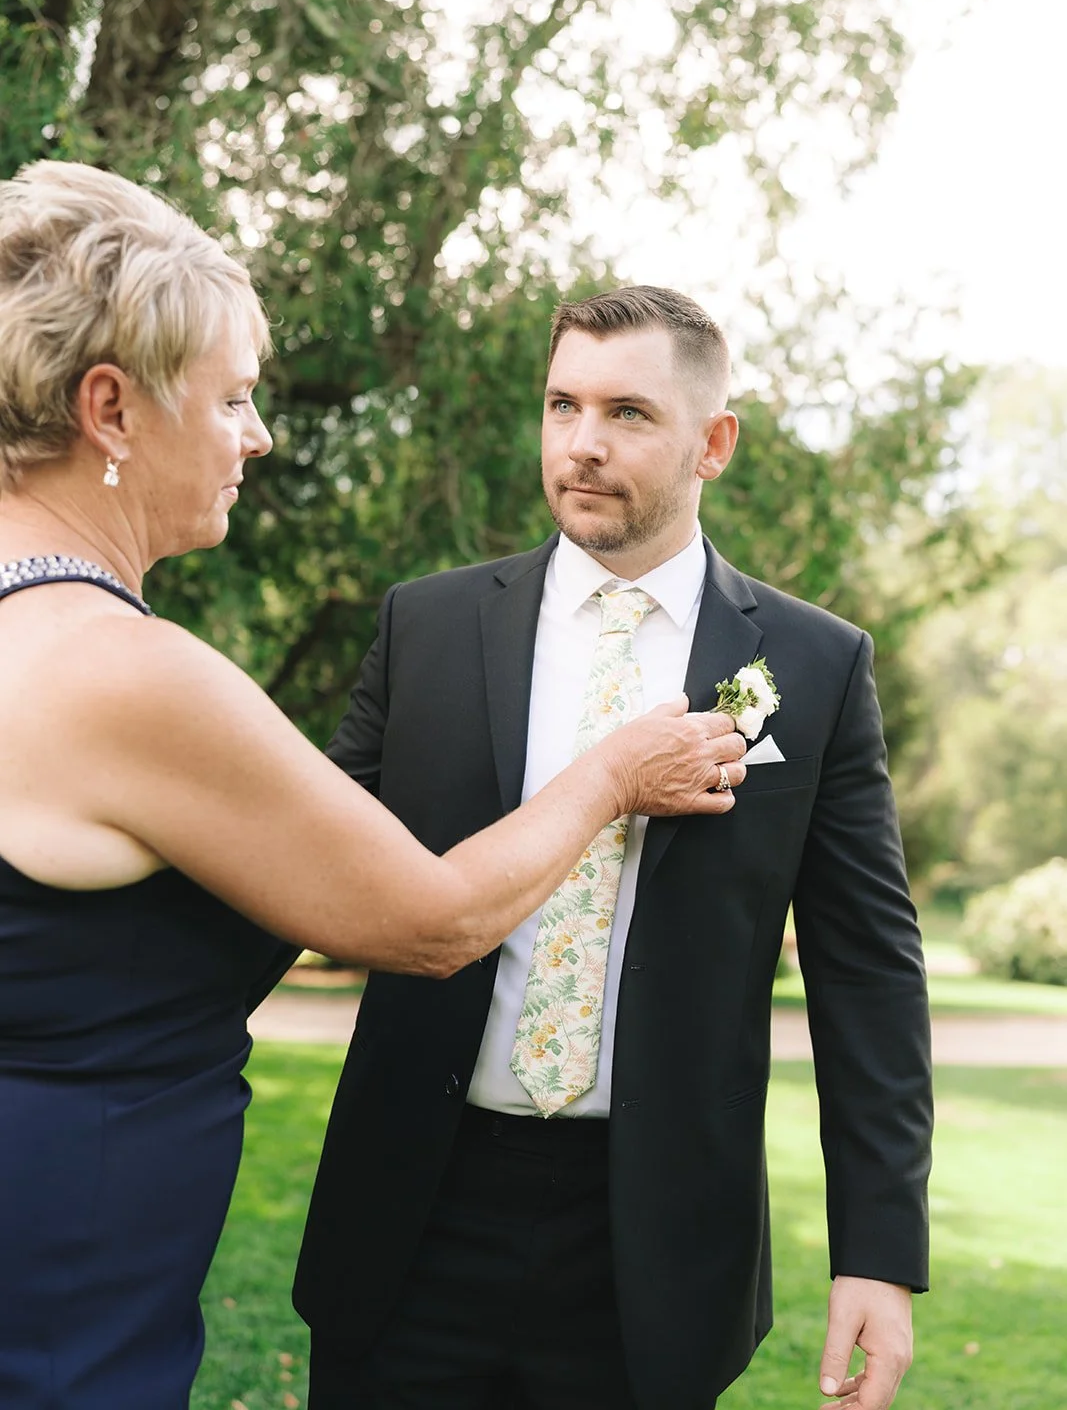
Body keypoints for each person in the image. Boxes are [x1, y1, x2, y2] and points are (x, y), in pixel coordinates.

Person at [0, 173, 743, 1410]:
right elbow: (433, 921)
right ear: (112, 407)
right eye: (231, 397)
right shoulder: (118, 669)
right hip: (60, 1288)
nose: (257, 435)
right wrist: (615, 771)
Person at [294, 285, 934, 1410]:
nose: (581, 444)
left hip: (654, 1246)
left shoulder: (813, 665)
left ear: (712, 444)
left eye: (627, 412)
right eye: (562, 405)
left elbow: (867, 972)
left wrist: (875, 1253)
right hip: (410, 1214)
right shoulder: (425, 626)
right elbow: (301, 857)